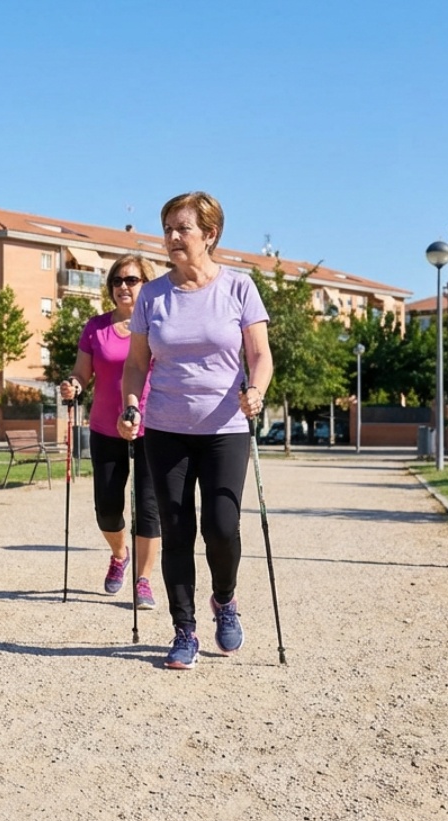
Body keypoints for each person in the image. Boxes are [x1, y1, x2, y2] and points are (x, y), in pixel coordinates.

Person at [119, 192, 273, 670]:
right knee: (178, 529)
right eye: (167, 228)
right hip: (166, 427)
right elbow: (136, 364)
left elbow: (260, 356)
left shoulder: (239, 288)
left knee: (222, 526)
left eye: (182, 228)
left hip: (226, 425)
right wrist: (130, 403)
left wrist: (258, 390)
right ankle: (184, 629)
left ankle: (224, 600)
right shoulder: (153, 295)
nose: (172, 237)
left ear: (210, 235)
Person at [58, 253, 161, 609]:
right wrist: (73, 384)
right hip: (104, 427)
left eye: (131, 280)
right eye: (117, 280)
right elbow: (82, 372)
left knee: (149, 508)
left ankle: (143, 580)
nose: (122, 286)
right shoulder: (96, 327)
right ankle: (120, 554)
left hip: (153, 426)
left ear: (146, 284)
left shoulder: (158, 325)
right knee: (107, 507)